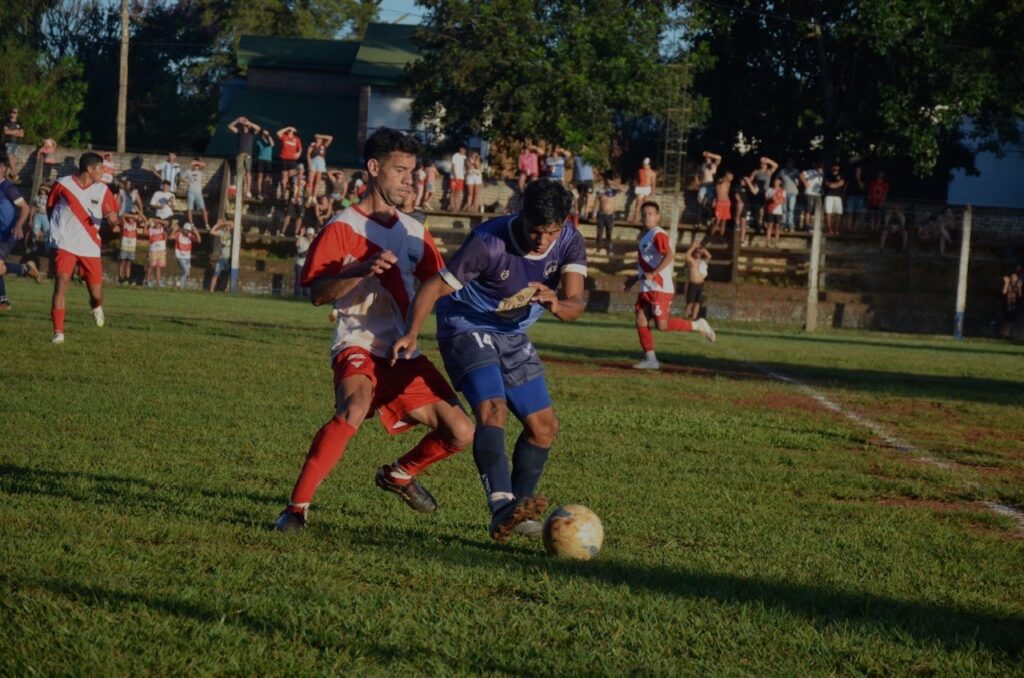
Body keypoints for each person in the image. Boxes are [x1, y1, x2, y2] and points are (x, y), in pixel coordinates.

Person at [274, 127, 474, 532]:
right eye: (400, 170)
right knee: (353, 408)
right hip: (358, 342)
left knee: (462, 431)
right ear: (373, 168)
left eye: (412, 172)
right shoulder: (342, 227)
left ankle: (399, 475)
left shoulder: (414, 231)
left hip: (402, 350)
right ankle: (296, 509)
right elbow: (316, 294)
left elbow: (440, 286)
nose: (408, 180)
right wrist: (359, 270)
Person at [389, 179, 586, 541]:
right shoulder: (489, 242)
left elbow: (576, 303)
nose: (542, 240)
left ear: (563, 224)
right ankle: (500, 508)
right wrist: (412, 333)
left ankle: (520, 509)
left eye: (551, 232)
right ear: (520, 216)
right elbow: (433, 287)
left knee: (544, 427)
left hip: (512, 335)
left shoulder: (570, 240)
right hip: (466, 324)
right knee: (492, 409)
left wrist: (558, 304)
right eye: (535, 230)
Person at [625, 201, 716, 370]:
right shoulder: (645, 237)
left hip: (659, 288)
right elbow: (646, 265)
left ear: (658, 216)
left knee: (662, 326)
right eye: (644, 213)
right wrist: (634, 278)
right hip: (647, 288)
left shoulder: (658, 234)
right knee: (641, 320)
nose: (646, 216)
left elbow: (669, 255)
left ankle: (698, 325)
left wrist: (653, 273)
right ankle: (651, 359)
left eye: (651, 213)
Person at [46, 152, 120, 344]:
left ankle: (96, 306)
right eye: (100, 169)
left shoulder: (103, 190)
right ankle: (58, 332)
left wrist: (113, 220)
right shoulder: (62, 184)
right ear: (89, 169)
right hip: (65, 243)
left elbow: (112, 215)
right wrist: (56, 229)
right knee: (61, 281)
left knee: (96, 294)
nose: (103, 173)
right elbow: (50, 207)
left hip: (90, 247)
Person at [0, 173, 43, 311]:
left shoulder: (7, 187)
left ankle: (4, 302)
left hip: (7, 234)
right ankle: (26, 269)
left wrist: (18, 225)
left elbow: (25, 207)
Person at [227, 116, 260, 197]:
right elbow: (229, 126)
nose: (245, 125)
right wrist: (237, 120)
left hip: (248, 155)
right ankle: (238, 189)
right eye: (243, 124)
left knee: (248, 173)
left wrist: (249, 123)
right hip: (240, 155)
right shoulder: (240, 132)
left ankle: (248, 191)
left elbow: (258, 128)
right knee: (239, 172)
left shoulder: (252, 132)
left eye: (246, 124)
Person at [683, 239, 712, 320]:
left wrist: (702, 248)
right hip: (693, 284)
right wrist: (693, 247)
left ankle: (694, 317)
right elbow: (687, 255)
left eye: (699, 252)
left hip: (700, 284)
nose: (698, 253)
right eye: (696, 252)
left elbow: (709, 256)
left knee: (698, 302)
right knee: (690, 302)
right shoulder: (691, 261)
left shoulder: (702, 261)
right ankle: (686, 316)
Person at [171, 221, 201, 288]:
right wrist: (174, 230)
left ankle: (179, 284)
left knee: (184, 272)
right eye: (186, 230)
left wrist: (197, 233)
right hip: (179, 256)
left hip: (187, 257)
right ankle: (181, 286)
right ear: (183, 229)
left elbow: (199, 240)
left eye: (189, 231)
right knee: (185, 271)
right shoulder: (179, 234)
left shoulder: (190, 236)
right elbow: (171, 237)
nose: (187, 232)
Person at [306, 133, 333, 206]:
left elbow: (330, 137)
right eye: (317, 138)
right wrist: (309, 163)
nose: (318, 140)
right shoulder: (313, 144)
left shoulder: (324, 145)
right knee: (310, 180)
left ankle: (314, 196)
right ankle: (309, 196)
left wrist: (321, 137)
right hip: (313, 161)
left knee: (317, 180)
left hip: (321, 161)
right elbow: (308, 154)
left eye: (320, 139)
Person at [276, 126, 303, 199]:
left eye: (291, 130)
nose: (289, 131)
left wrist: (298, 154)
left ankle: (292, 194)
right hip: (284, 159)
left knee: (292, 178)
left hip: (292, 160)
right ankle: (283, 194)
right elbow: (278, 133)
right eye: (289, 130)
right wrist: (287, 127)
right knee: (284, 178)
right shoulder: (284, 137)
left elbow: (300, 149)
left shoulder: (296, 139)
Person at [595, 174, 619, 254]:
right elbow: (596, 201)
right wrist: (594, 213)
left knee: (609, 231)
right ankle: (598, 247)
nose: (608, 183)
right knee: (599, 231)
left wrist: (613, 183)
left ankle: (608, 246)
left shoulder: (613, 190)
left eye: (609, 181)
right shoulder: (601, 191)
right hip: (601, 214)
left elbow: (622, 190)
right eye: (607, 181)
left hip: (610, 214)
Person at [115, 212, 141, 285]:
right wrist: (133, 215)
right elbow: (122, 215)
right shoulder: (124, 224)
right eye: (130, 218)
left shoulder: (135, 225)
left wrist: (138, 211)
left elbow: (142, 219)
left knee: (129, 263)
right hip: (124, 246)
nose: (131, 219)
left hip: (132, 247)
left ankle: (127, 277)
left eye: (132, 219)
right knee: (122, 262)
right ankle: (120, 277)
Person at [208, 219, 233, 292]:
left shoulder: (232, 234)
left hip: (229, 258)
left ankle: (223, 290)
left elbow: (232, 223)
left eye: (229, 226)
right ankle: (211, 290)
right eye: (226, 226)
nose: (227, 227)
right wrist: (218, 224)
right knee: (216, 274)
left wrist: (223, 222)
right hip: (221, 257)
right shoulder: (222, 233)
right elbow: (211, 231)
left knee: (226, 275)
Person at [183, 158, 208, 229]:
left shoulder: (200, 171)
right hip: (191, 191)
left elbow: (205, 165)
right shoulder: (188, 171)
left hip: (198, 193)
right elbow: (181, 176)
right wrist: (187, 182)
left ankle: (206, 224)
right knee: (190, 208)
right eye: (195, 165)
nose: (196, 166)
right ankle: (191, 223)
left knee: (203, 208)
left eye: (197, 165)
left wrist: (197, 162)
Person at [144, 217, 169, 288]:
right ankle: (147, 281)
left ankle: (158, 282)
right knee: (151, 266)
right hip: (153, 251)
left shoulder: (162, 229)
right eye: (156, 223)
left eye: (159, 223)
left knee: (159, 267)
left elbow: (167, 223)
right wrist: (146, 225)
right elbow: (144, 232)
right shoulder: (151, 230)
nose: (158, 224)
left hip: (161, 251)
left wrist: (158, 220)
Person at [697, 151, 722, 221]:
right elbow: (699, 174)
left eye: (709, 159)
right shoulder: (703, 166)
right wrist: (698, 182)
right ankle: (702, 216)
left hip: (710, 185)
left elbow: (719, 158)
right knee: (700, 198)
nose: (707, 160)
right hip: (704, 185)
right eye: (706, 159)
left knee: (710, 201)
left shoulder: (714, 166)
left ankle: (709, 217)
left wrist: (710, 154)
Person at [800, 161, 824, 230]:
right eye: (819, 166)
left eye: (821, 166)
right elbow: (801, 174)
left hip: (818, 194)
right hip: (809, 193)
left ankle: (813, 225)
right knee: (808, 209)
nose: (820, 168)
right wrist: (805, 183)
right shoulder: (810, 171)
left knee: (816, 210)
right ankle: (807, 225)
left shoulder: (822, 173)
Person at [630, 158, 656, 222]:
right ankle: (635, 219)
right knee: (638, 204)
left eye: (646, 164)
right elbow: (636, 179)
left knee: (645, 204)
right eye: (644, 164)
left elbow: (653, 183)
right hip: (640, 188)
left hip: (647, 188)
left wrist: (653, 191)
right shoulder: (640, 171)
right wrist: (635, 184)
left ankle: (644, 219)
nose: (644, 166)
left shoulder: (652, 173)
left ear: (649, 165)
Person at [823, 163, 845, 235]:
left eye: (837, 166)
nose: (835, 167)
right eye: (834, 166)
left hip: (838, 196)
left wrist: (832, 184)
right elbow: (828, 185)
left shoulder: (841, 175)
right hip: (829, 196)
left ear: (839, 167)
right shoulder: (827, 175)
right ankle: (830, 229)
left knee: (839, 213)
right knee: (828, 212)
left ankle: (836, 229)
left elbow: (841, 184)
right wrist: (836, 184)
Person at [779, 158, 801, 232]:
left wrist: (797, 181)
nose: (790, 164)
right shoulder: (782, 171)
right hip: (784, 192)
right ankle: (784, 224)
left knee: (791, 209)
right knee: (784, 209)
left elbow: (800, 181)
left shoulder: (796, 171)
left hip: (793, 192)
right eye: (788, 162)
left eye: (791, 163)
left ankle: (790, 224)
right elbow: (778, 180)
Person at [711, 171, 733, 240]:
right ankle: (711, 236)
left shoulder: (729, 183)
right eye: (731, 176)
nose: (732, 178)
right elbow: (718, 182)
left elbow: (726, 192)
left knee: (724, 221)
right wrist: (715, 200)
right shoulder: (720, 180)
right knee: (717, 220)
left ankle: (721, 237)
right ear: (727, 175)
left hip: (727, 203)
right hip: (720, 202)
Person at [253, 128, 275, 198]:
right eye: (263, 134)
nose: (264, 135)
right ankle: (259, 193)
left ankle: (264, 193)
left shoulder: (269, 141)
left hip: (268, 161)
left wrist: (268, 136)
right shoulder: (258, 142)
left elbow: (272, 145)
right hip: (260, 160)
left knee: (267, 178)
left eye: (266, 134)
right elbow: (256, 152)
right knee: (260, 177)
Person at [1001, 270, 1022, 339]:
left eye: (1015, 278)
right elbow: (1003, 293)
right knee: (1006, 321)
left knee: (1012, 320)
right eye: (1012, 277)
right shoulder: (1008, 285)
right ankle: (1005, 335)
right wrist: (1006, 283)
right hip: (1007, 305)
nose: (1013, 279)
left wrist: (1019, 288)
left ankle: (1014, 335)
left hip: (1016, 306)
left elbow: (1020, 296)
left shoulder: (1018, 286)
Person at [574, 152, 595, 220]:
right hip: (579, 180)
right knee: (580, 196)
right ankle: (580, 213)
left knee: (588, 195)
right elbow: (575, 169)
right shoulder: (576, 158)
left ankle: (586, 213)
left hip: (588, 179)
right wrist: (573, 179)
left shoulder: (590, 157)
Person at [294, 226, 314, 299]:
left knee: (306, 281)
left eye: (311, 235)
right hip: (300, 264)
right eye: (309, 234)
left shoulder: (313, 242)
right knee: (298, 281)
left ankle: (305, 296)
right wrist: (301, 234)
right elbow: (297, 245)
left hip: (307, 265)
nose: (310, 236)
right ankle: (297, 295)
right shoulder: (302, 239)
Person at [3, 108, 24, 173]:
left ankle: (9, 173)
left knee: (12, 159)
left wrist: (11, 131)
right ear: (10, 113)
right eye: (12, 112)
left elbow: (22, 134)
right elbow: (6, 132)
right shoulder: (6, 122)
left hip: (16, 142)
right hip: (8, 142)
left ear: (17, 114)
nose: (13, 114)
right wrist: (16, 131)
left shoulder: (19, 123)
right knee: (10, 157)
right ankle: (14, 173)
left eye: (15, 112)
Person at [845, 164, 865, 230]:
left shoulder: (863, 178)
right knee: (850, 213)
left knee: (858, 213)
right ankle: (849, 227)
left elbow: (862, 186)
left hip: (859, 197)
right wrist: (844, 195)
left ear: (861, 171)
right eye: (857, 171)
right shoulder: (851, 177)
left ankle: (855, 228)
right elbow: (846, 186)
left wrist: (858, 178)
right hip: (851, 196)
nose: (858, 172)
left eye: (859, 171)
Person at [449, 145, 467, 211]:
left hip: (461, 177)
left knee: (458, 192)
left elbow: (465, 167)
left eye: (464, 149)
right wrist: (455, 175)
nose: (463, 150)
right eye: (462, 148)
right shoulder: (455, 156)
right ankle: (452, 206)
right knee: (453, 191)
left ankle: (457, 207)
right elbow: (453, 166)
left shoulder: (465, 157)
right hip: (454, 177)